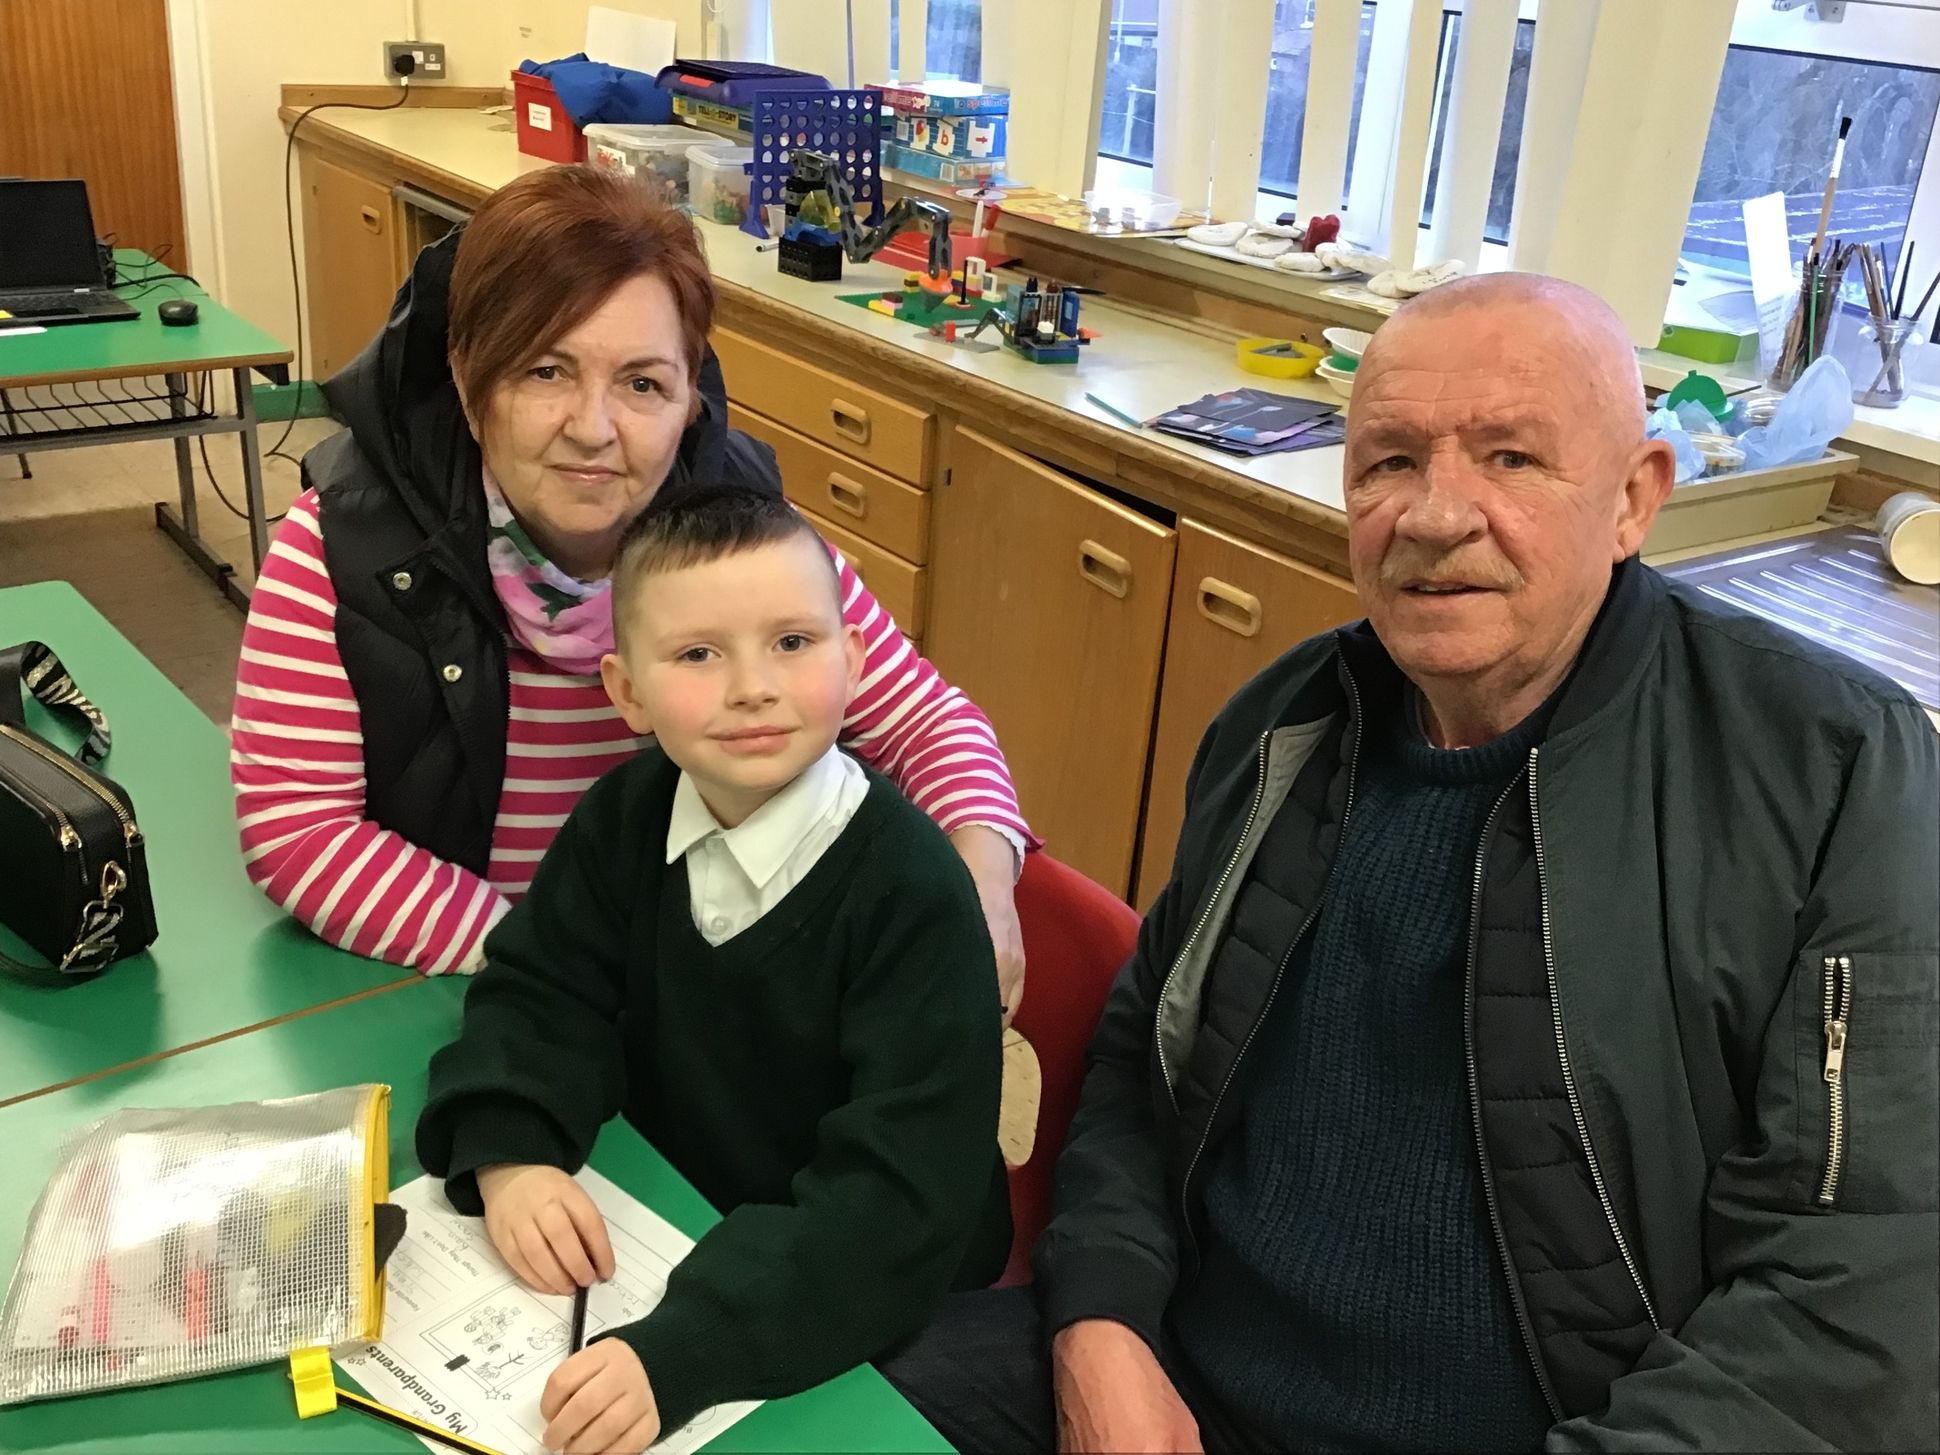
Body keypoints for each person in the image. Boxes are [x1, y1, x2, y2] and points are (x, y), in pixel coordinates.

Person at [883, 273, 1940, 1452]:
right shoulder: (1281, 723)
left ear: (1635, 497)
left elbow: (1859, 1302)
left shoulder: (1833, 773)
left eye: (1509, 459)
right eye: (1388, 461)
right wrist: (1100, 1327)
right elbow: (1145, 1056)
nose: (1436, 515)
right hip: (1184, 1388)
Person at [229, 165, 1032, 1001]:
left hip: (704, 996)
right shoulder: (348, 546)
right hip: (473, 985)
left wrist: (985, 875)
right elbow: (299, 829)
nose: (593, 429)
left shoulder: (743, 538)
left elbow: (927, 721)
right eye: (545, 372)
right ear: (469, 383)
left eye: (643, 383)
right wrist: (545, 961)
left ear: (690, 399)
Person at [417, 489, 1011, 1455]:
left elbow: (897, 1201)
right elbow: (542, 989)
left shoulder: (915, 897)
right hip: (676, 1216)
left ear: (854, 661)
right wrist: (510, 1146)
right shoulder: (623, 816)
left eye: (792, 642)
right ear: (627, 690)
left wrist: (687, 1350)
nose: (752, 687)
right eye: (698, 653)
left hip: (870, 1286)